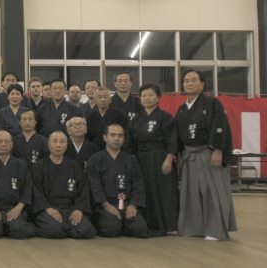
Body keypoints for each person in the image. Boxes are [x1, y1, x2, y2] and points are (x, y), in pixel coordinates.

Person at [175, 70, 237, 241]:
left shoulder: (212, 103)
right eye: (186, 81)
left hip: (208, 153)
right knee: (191, 193)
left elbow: (220, 126)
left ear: (202, 84)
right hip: (189, 154)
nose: (189, 83)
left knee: (212, 191)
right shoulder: (181, 109)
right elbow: (179, 135)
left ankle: (214, 230)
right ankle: (194, 228)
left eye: (194, 80)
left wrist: (217, 149)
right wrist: (179, 153)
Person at [129, 84, 179, 236]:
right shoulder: (136, 119)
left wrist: (169, 158)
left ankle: (168, 225)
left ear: (158, 98)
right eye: (144, 95)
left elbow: (172, 139)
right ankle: (149, 223)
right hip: (141, 159)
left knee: (164, 191)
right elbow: (131, 142)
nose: (147, 98)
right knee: (147, 190)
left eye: (150, 95)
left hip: (160, 157)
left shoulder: (165, 117)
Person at [86, 124, 149, 238]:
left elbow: (138, 184)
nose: (116, 138)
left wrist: (133, 205)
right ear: (105, 137)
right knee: (111, 229)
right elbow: (95, 186)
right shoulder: (95, 159)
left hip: (127, 203)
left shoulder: (131, 160)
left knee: (140, 229)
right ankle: (117, 223)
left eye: (120, 136)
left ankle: (123, 223)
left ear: (124, 139)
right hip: (105, 205)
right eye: (113, 135)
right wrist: (106, 205)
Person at [31, 131, 96, 239]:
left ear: (66, 145)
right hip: (48, 209)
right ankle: (64, 227)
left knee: (86, 230)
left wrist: (78, 209)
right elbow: (36, 192)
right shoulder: (39, 166)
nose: (58, 145)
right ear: (48, 144)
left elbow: (83, 190)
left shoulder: (74, 166)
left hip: (70, 208)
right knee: (55, 230)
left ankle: (65, 227)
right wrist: (48, 209)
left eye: (62, 142)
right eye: (55, 141)